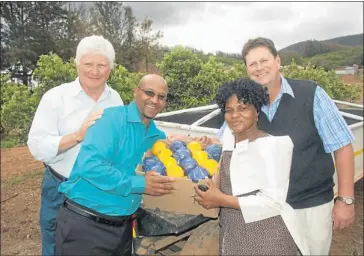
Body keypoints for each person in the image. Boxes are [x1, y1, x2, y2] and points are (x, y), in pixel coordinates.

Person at [217, 37, 355, 255]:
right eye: (252, 64)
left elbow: (342, 145)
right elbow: (226, 142)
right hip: (266, 208)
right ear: (246, 69)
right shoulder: (245, 105)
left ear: (278, 61)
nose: (259, 68)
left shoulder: (311, 94)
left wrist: (346, 199)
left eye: (264, 60)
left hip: (310, 204)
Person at [55, 74, 177, 255]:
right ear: (136, 91)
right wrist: (141, 184)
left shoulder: (156, 137)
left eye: (161, 97)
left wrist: (196, 142)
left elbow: (174, 157)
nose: (154, 100)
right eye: (149, 93)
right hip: (86, 227)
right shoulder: (111, 119)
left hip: (124, 230)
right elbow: (91, 166)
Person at [27, 35, 124, 256]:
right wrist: (77, 136)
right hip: (61, 190)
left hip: (99, 191)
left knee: (95, 247)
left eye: (102, 65)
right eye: (88, 64)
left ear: (110, 68)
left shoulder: (114, 99)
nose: (95, 71)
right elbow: (37, 146)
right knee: (56, 246)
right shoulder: (56, 98)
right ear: (77, 63)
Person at [195, 78, 309, 255]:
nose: (234, 115)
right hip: (233, 233)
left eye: (243, 108)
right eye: (229, 110)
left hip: (267, 238)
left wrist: (219, 199)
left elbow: (273, 203)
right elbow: (223, 173)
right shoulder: (230, 139)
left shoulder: (274, 147)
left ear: (257, 111)